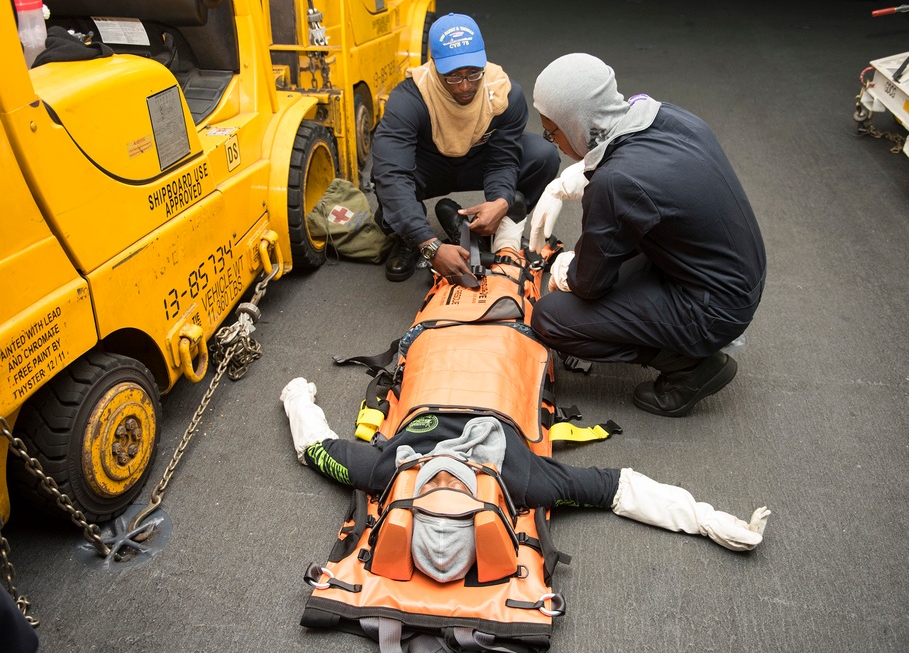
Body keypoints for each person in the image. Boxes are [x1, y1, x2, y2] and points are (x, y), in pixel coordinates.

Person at [280, 377, 770, 583]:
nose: (444, 480)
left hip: (439, 355)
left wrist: (296, 396)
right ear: (486, 507)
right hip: (502, 360)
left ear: (407, 507)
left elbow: (314, 447)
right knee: (511, 257)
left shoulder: (385, 475)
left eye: (431, 494)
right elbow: (618, 487)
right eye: (458, 495)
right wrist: (705, 519)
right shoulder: (526, 483)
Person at [528, 53, 767, 417]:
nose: (553, 141)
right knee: (614, 265)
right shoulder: (668, 115)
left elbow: (589, 285)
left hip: (713, 309)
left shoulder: (614, 183)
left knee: (551, 318)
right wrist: (572, 179)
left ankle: (689, 366)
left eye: (552, 130)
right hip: (735, 273)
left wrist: (567, 271)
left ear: (577, 122)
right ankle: (675, 333)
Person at [371, 12, 560, 282]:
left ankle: (499, 228)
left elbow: (502, 161)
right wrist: (428, 243)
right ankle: (409, 238)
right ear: (434, 65)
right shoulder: (408, 98)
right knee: (385, 177)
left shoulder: (504, 93)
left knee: (543, 155)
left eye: (473, 73)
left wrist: (501, 201)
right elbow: (392, 174)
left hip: (477, 160)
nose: (464, 86)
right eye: (453, 76)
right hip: (427, 166)